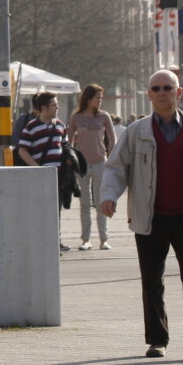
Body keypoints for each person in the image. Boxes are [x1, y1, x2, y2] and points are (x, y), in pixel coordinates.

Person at [100, 69, 183, 360]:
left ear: (178, 93)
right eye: (156, 88)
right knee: (152, 280)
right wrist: (108, 195)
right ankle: (157, 340)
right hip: (150, 217)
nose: (162, 93)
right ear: (149, 94)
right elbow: (116, 167)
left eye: (168, 88)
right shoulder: (136, 131)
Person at [16, 91, 70, 250]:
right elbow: (22, 150)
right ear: (44, 107)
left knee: (56, 209)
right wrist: (37, 169)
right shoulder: (31, 127)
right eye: (54, 105)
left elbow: (65, 146)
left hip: (57, 176)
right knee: (39, 210)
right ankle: (39, 241)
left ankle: (55, 241)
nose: (57, 107)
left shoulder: (60, 125)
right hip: (39, 177)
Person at [68, 84, 117, 250]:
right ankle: (85, 239)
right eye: (98, 98)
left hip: (100, 163)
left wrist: (111, 159)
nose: (100, 101)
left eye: (101, 98)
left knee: (101, 202)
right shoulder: (76, 117)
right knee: (84, 203)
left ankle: (104, 239)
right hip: (82, 165)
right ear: (88, 99)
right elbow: (68, 141)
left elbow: (112, 140)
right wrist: (70, 159)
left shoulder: (104, 116)